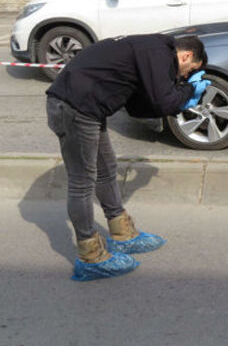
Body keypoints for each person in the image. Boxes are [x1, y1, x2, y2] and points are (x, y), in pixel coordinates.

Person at [45, 34, 210, 281]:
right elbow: (164, 101)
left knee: (107, 168)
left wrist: (182, 96)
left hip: (87, 107)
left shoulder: (151, 52)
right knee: (82, 183)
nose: (185, 76)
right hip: (74, 108)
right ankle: (90, 257)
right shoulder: (159, 51)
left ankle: (122, 235)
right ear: (185, 56)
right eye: (190, 70)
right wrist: (188, 90)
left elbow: (139, 107)